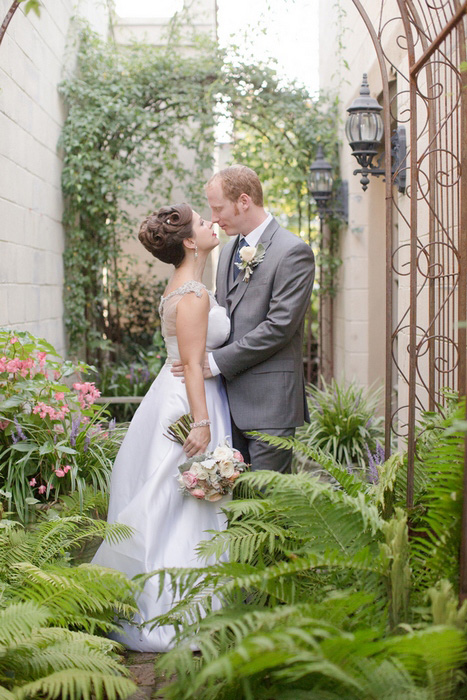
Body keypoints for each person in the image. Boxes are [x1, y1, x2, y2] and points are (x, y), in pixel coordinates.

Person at [92, 203, 231, 652]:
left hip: (178, 397)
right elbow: (191, 363)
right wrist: (203, 423)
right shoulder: (192, 293)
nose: (213, 223)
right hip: (189, 406)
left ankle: (190, 604)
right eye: (203, 221)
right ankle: (176, 613)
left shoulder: (187, 286)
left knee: (182, 502)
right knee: (185, 503)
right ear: (190, 241)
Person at [172, 165, 315, 472]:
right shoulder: (226, 252)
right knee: (233, 506)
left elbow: (279, 327)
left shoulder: (293, 252)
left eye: (218, 208)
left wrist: (215, 362)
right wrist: (192, 353)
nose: (213, 219)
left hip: (270, 407)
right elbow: (221, 320)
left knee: (265, 506)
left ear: (244, 201)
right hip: (226, 405)